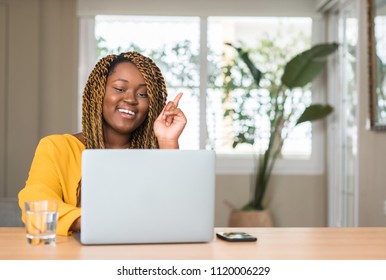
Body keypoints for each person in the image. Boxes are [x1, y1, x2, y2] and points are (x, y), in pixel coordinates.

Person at [18, 52, 187, 235]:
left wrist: (168, 141)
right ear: (98, 92)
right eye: (120, 89)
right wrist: (89, 221)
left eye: (142, 94)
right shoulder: (58, 148)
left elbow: (177, 214)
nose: (131, 99)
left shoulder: (155, 155)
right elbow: (36, 201)